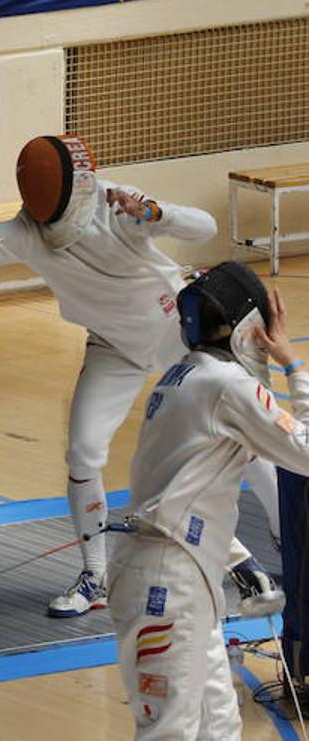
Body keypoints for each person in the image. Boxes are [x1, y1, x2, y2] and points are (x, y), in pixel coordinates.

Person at [0, 134, 283, 617]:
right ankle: (95, 575)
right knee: (82, 452)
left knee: (244, 433)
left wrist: (154, 212)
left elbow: (203, 225)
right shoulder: (27, 231)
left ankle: (290, 543)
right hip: (113, 347)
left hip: (181, 334)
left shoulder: (115, 204)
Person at [109, 261, 308, 738]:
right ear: (250, 330)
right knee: (172, 730)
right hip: (167, 585)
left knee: (218, 723)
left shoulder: (184, 377)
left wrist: (237, 558)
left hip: (181, 576)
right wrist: (293, 365)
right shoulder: (226, 386)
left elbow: (174, 491)